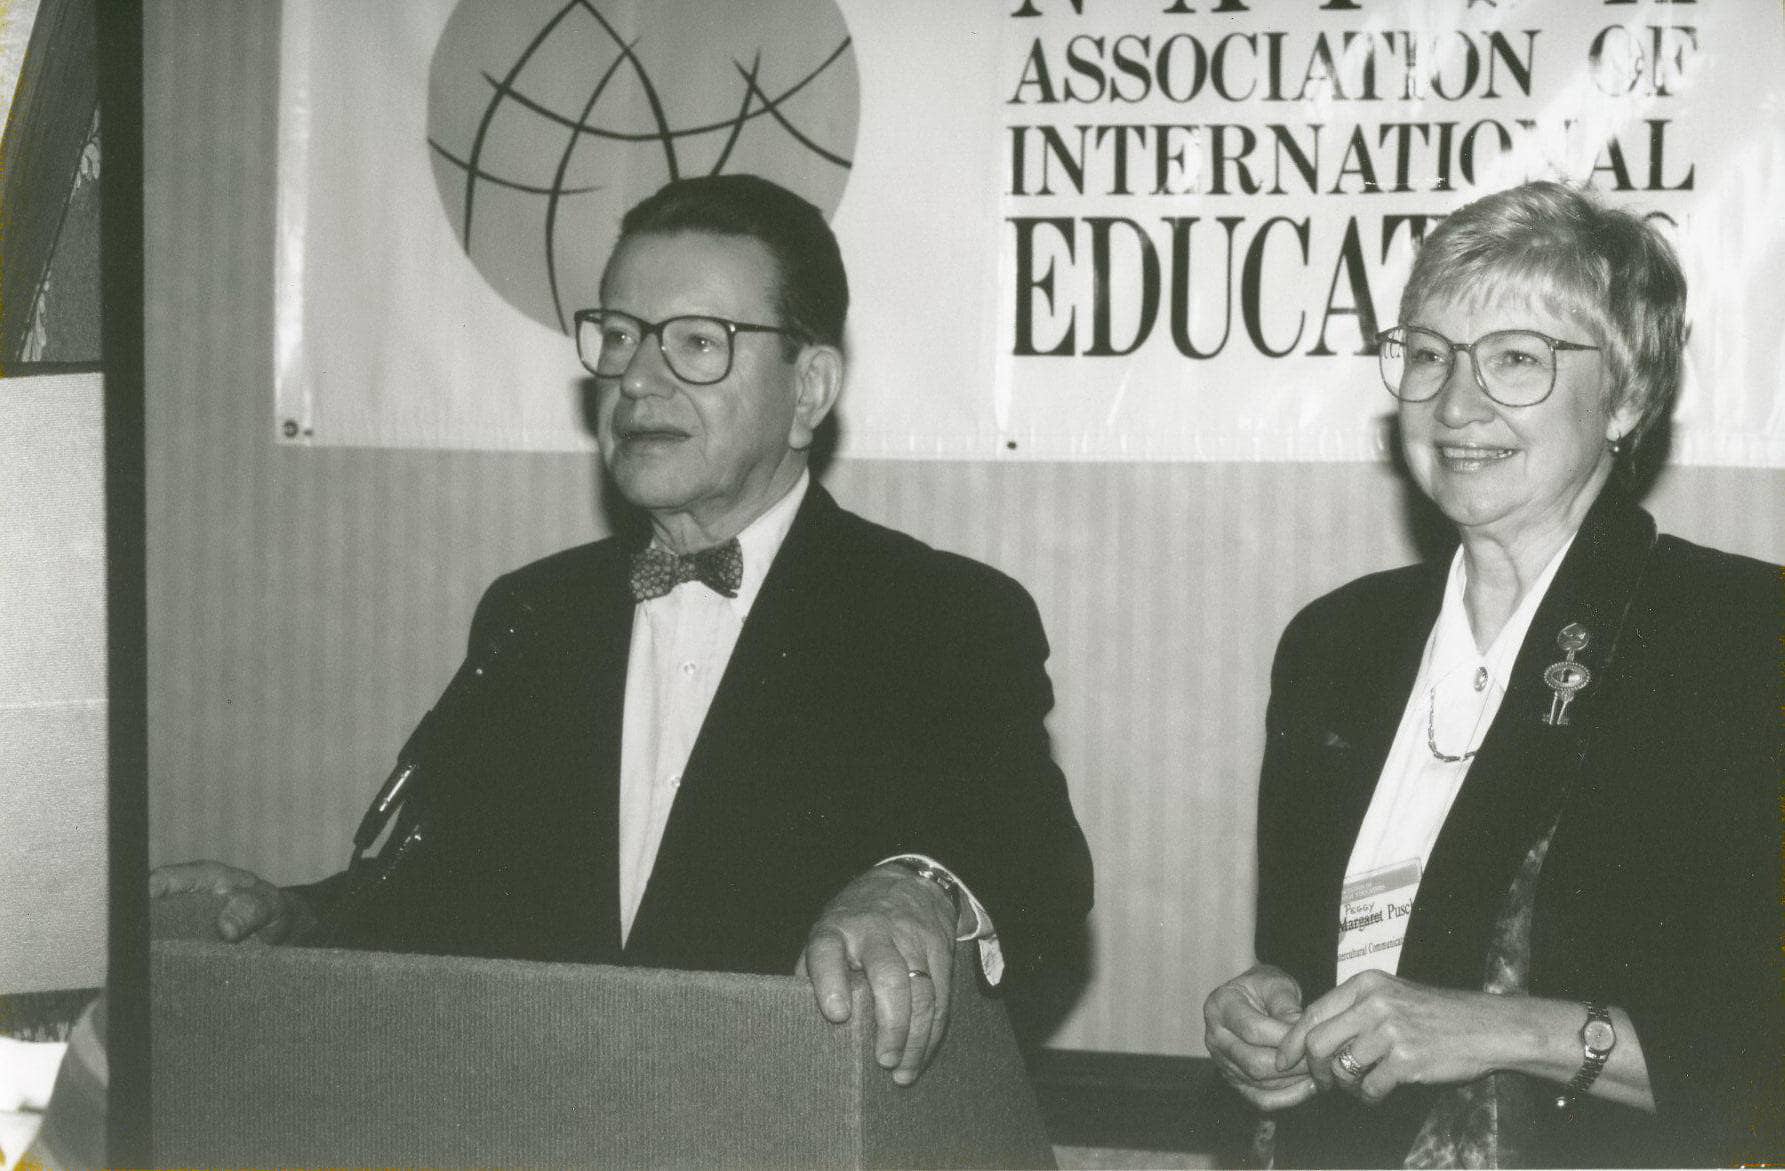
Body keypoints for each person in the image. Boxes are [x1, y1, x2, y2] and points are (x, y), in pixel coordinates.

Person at [152, 173, 1092, 1087]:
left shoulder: (939, 612)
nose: (638, 379)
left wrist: (918, 886)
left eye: (696, 341)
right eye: (621, 336)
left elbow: (1036, 864)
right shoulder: (535, 612)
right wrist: (292, 921)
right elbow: (437, 893)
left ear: (808, 388)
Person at [1203, 181, 1780, 1167]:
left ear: (1629, 394)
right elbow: (1324, 971)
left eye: (1516, 359)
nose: (1456, 403)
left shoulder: (1740, 639)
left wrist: (1508, 1031)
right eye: (1428, 355)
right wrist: (1267, 1024)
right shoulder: (1336, 646)